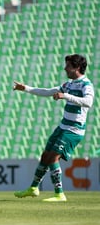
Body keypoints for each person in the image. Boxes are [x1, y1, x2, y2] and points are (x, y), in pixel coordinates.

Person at [13, 54, 94, 202]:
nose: (65, 68)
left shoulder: (86, 85)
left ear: (76, 67)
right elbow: (47, 91)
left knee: (53, 157)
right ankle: (33, 188)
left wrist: (66, 96)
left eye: (68, 66)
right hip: (63, 126)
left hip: (74, 130)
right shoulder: (68, 84)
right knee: (45, 155)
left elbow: (88, 102)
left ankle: (59, 193)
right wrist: (25, 88)